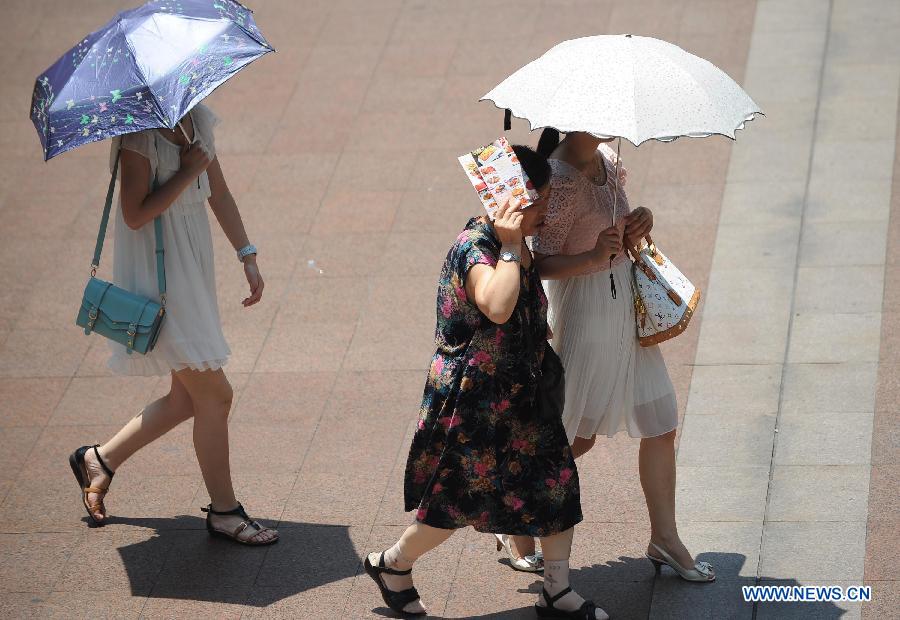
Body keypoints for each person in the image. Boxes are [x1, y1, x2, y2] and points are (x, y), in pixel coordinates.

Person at [364, 146, 608, 619]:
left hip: (524, 393)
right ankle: (393, 564)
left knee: (556, 485)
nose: (548, 211)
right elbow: (496, 304)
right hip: (475, 402)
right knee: (454, 503)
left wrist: (594, 256)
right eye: (543, 200)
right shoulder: (476, 249)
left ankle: (557, 592)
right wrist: (514, 247)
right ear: (515, 200)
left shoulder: (513, 242)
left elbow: (532, 279)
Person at [68, 103, 277, 545]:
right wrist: (186, 172)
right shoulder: (137, 138)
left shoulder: (195, 118)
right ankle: (224, 511)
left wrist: (247, 253)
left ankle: (98, 459)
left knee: (187, 399)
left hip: (190, 268)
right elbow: (134, 213)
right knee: (216, 395)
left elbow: (218, 191)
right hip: (159, 281)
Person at [518, 128, 713, 582]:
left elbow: (614, 227)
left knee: (661, 421)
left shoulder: (606, 157)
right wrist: (590, 256)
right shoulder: (561, 178)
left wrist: (638, 221)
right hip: (585, 315)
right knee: (572, 435)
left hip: (623, 306)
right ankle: (517, 519)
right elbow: (540, 262)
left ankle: (665, 538)